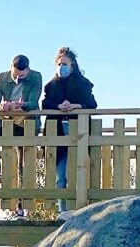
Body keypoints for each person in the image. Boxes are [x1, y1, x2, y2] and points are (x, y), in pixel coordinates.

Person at [40, 46, 97, 203]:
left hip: (78, 131)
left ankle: (76, 210)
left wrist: (76, 106)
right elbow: (45, 104)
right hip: (57, 131)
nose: (61, 67)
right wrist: (58, 106)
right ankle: (62, 210)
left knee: (76, 173)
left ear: (72, 65)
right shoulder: (51, 86)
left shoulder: (83, 84)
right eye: (59, 64)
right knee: (61, 175)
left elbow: (91, 104)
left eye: (65, 64)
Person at [0, 54, 43, 188]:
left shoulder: (35, 77)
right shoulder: (1, 78)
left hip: (27, 123)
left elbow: (33, 102)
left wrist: (22, 105)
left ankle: (21, 203)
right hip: (7, 121)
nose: (18, 78)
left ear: (28, 70)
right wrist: (2, 106)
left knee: (22, 163)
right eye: (16, 76)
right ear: (11, 68)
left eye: (22, 76)